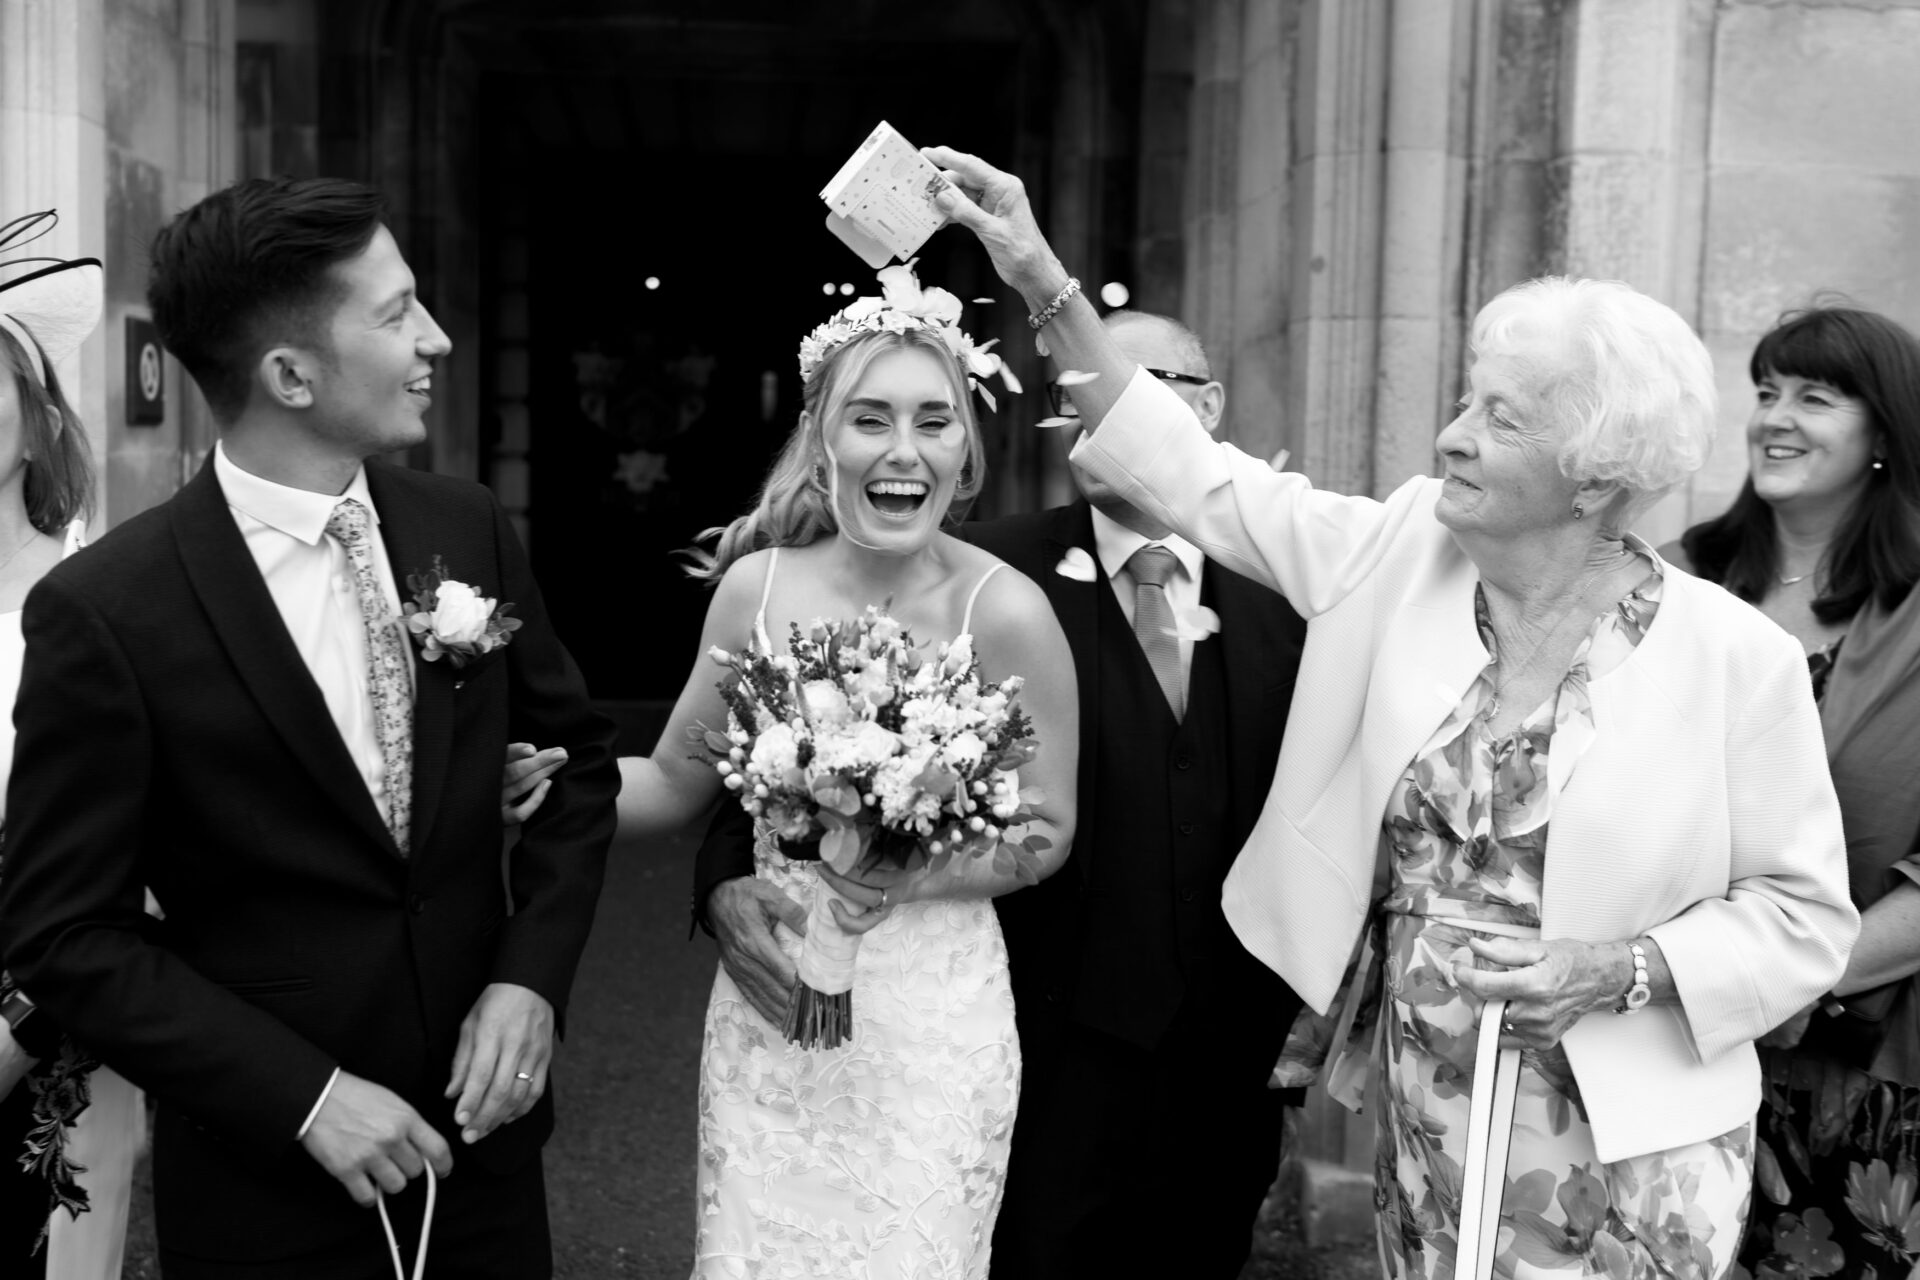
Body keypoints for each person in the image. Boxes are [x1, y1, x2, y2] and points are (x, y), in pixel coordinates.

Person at [924, 146, 1861, 1280]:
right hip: (1429, 1103)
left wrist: (1620, 965)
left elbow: (1805, 918)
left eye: (1500, 419)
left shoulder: (1737, 657)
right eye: (1466, 401)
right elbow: (1191, 472)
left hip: (1631, 1133)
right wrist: (1039, 275)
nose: (1452, 435)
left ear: (1594, 473)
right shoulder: (1404, 551)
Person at [0, 177, 619, 1278]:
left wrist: (532, 978)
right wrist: (307, 1099)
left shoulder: (464, 523)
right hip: (266, 1183)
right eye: (396, 313)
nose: (434, 338)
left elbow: (577, 773)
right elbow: (65, 933)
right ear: (289, 375)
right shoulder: (109, 609)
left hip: (485, 1155)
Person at [688, 307, 1311, 1278]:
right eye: (1079, 394)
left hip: (1230, 1058)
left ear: (1208, 407)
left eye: (1136, 391)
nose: (1104, 416)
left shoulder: (1295, 591)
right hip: (1043, 1035)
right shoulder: (979, 568)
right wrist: (727, 878)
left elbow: (1342, 799)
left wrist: (1327, 991)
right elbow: (777, 744)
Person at [609, 269, 1078, 1278]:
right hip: (773, 1013)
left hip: (931, 1025)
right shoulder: (755, 588)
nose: (903, 449)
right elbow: (671, 780)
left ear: (965, 453)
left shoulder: (1007, 609)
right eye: (871, 418)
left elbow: (1046, 829)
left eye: (933, 421)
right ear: (822, 441)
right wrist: (530, 783)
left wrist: (905, 875)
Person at [1663, 305, 1920, 1278]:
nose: (1775, 416)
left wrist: (1787, 976)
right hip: (1669, 1034)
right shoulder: (1673, 583)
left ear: (1886, 432)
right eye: (1768, 391)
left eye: (1816, 397)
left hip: (1861, 1070)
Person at [0, 211, 142, 1279]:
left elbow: (138, 849)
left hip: (56, 1015)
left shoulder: (106, 597)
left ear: (36, 416)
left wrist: (15, 1023)